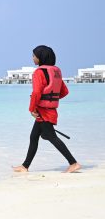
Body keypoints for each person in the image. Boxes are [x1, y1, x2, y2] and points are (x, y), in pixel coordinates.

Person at [13, 45, 81, 173]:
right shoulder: (56, 71)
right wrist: (50, 99)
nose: (33, 58)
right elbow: (64, 91)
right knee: (34, 137)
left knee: (51, 137)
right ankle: (24, 166)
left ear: (40, 57)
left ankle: (73, 163)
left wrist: (32, 109)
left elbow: (37, 92)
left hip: (42, 112)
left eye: (34, 56)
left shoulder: (39, 72)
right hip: (49, 111)